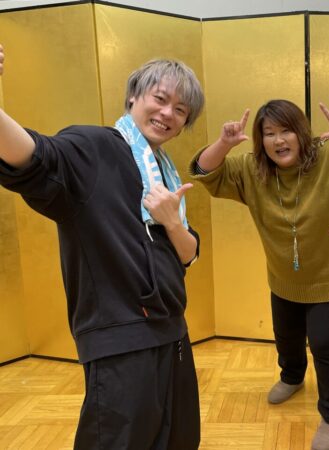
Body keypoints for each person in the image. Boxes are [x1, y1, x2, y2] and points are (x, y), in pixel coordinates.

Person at [0, 44, 204, 449]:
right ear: (133, 97)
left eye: (180, 110)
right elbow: (34, 158)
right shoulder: (93, 147)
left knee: (179, 439)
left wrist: (170, 221)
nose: (168, 113)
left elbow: (189, 253)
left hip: (173, 332)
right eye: (160, 98)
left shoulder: (163, 171)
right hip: (122, 339)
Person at [189, 99, 329, 450]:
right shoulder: (253, 170)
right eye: (269, 133)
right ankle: (292, 377)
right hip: (285, 277)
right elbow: (204, 171)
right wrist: (224, 143)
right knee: (286, 336)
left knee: (325, 343)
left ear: (302, 132)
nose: (278, 140)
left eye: (287, 130)